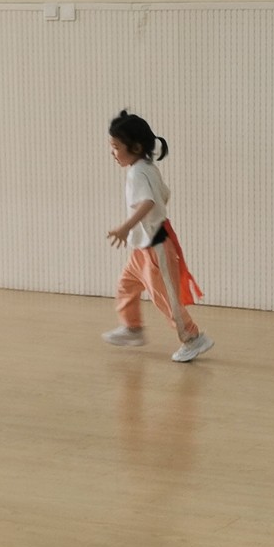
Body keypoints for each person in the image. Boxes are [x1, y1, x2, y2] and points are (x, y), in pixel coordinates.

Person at [103, 110, 213, 363]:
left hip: (155, 248)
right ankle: (132, 328)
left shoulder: (138, 173)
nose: (112, 152)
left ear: (135, 147)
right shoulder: (147, 168)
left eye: (116, 147)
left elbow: (149, 202)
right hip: (143, 247)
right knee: (126, 285)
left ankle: (193, 338)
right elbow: (164, 194)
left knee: (165, 298)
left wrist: (126, 227)